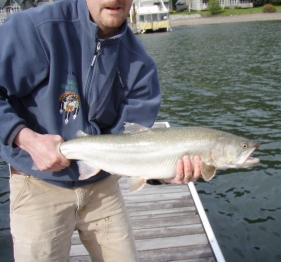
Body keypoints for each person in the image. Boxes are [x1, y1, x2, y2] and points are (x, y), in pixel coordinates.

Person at [0, 0, 201, 261]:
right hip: (37, 182)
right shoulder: (34, 29)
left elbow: (132, 146)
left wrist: (163, 172)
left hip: (101, 184)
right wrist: (26, 139)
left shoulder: (140, 66)